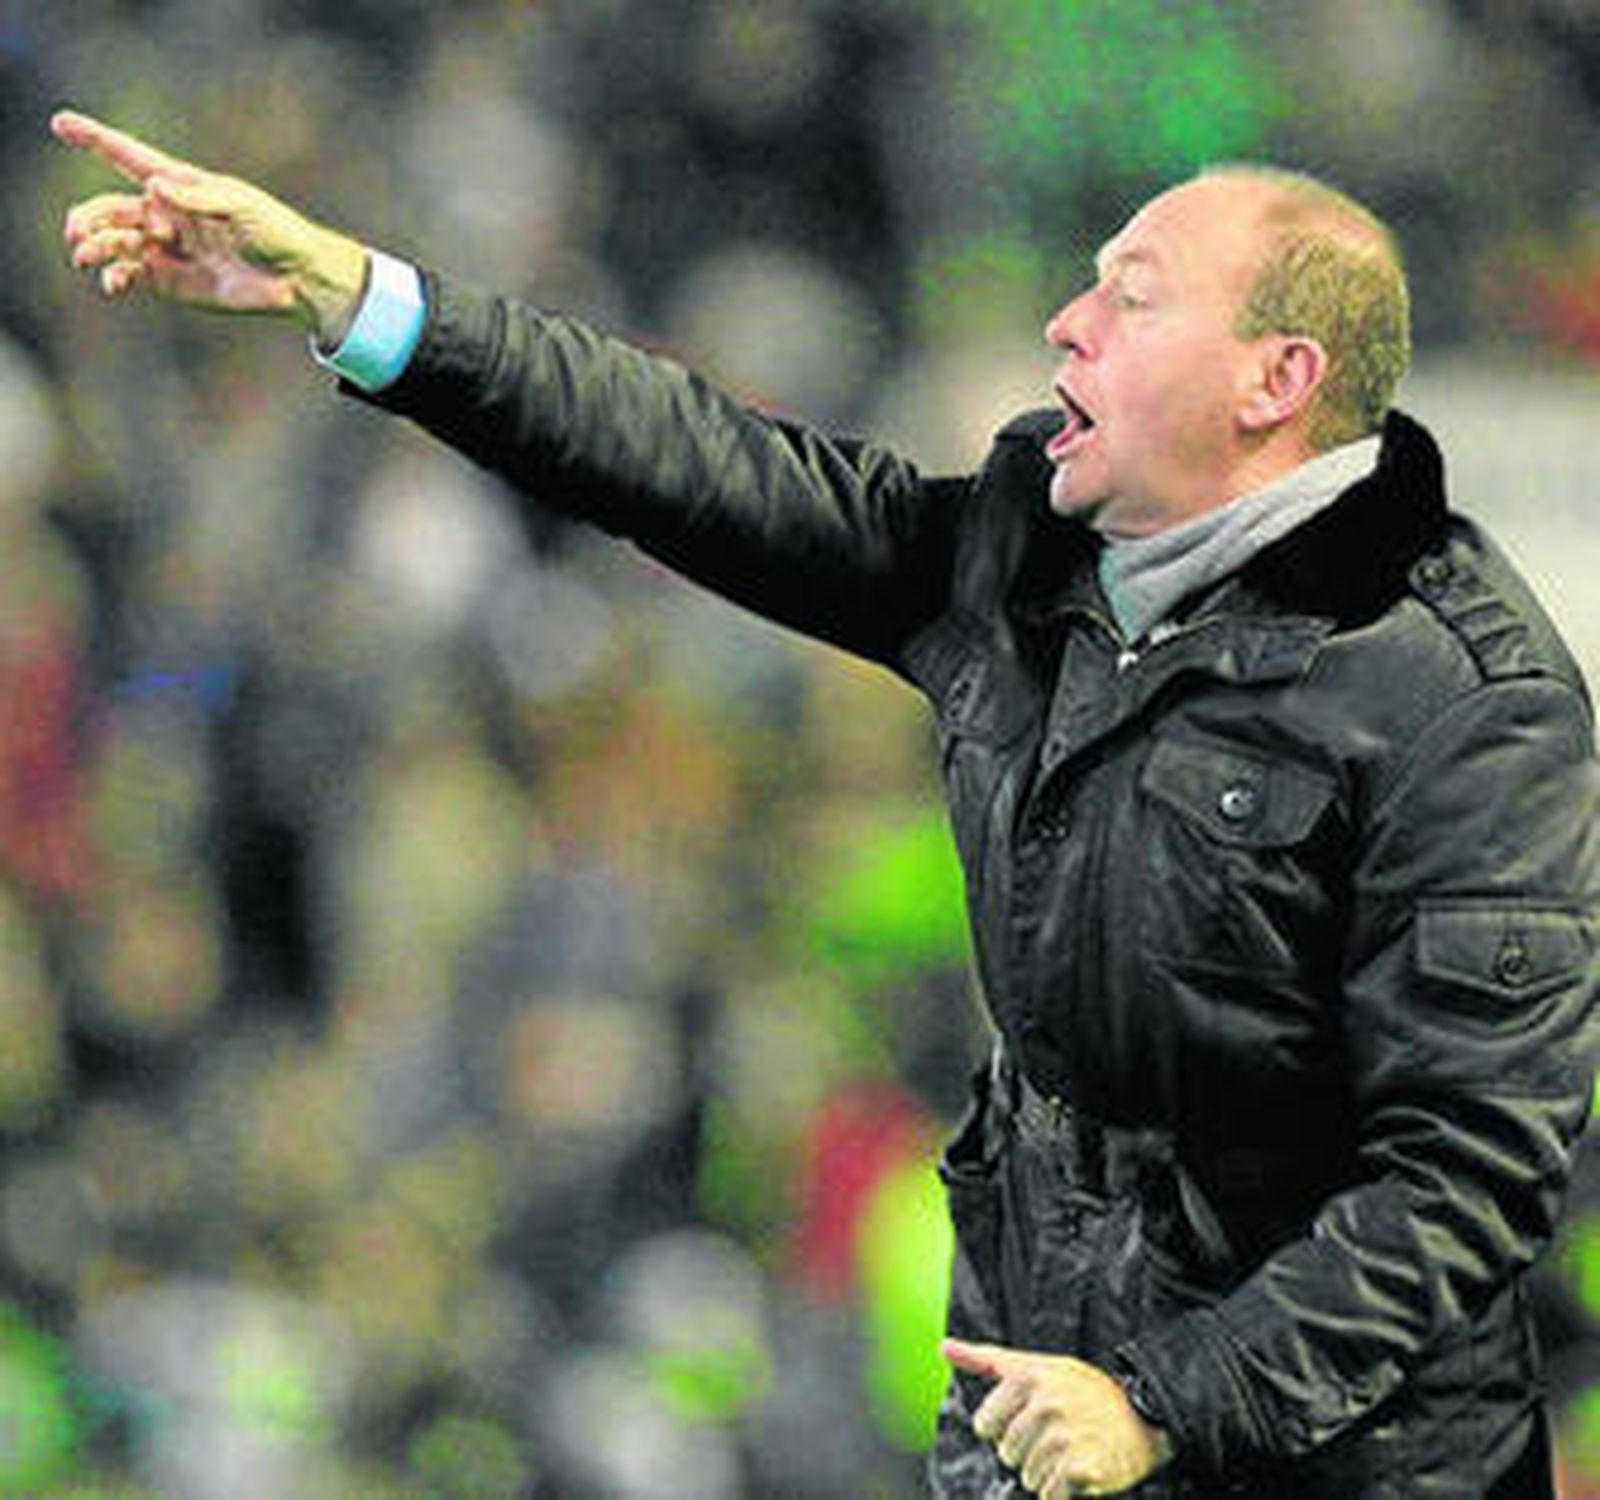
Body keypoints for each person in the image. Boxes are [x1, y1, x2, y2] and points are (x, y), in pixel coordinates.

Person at [54, 107, 1600, 1499]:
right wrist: (363, 300)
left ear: (1280, 379)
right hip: (1038, 1426)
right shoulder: (1025, 561)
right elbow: (693, 463)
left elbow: (1468, 1181)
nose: (1066, 325)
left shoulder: (1469, 702)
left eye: (1130, 301)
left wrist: (1166, 1407)